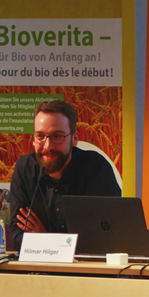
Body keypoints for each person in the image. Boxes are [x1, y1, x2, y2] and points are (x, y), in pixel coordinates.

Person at [9, 100, 121, 248]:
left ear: (74, 138)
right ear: (33, 140)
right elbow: (18, 235)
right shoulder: (24, 169)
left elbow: (104, 237)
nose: (48, 146)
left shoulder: (96, 168)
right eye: (40, 136)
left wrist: (46, 239)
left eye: (57, 136)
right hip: (39, 263)